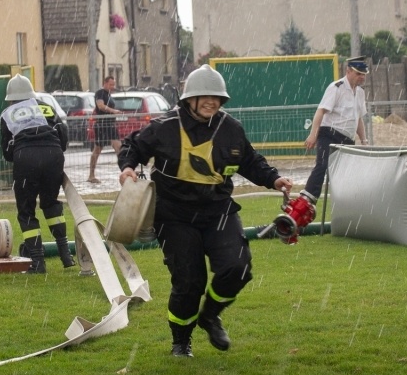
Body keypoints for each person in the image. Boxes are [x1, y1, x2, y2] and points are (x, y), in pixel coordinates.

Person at [117, 64, 293, 358]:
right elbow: (133, 146)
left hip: (218, 213)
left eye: (217, 98)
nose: (212, 102)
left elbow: (250, 161)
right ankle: (181, 341)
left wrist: (274, 179)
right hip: (173, 216)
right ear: (190, 99)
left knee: (237, 268)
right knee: (189, 281)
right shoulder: (164, 127)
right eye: (205, 96)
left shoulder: (231, 129)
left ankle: (210, 316)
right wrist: (127, 167)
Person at [0, 74, 74, 274]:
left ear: (11, 98)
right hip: (53, 154)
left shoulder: (7, 114)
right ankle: (66, 254)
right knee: (51, 203)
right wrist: (54, 151)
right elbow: (63, 134)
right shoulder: (46, 107)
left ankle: (38, 262)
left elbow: (7, 151)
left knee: (26, 210)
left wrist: (23, 157)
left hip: (26, 158)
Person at [301, 56, 369, 202]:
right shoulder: (336, 88)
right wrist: (313, 135)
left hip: (348, 140)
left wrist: (364, 141)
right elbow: (320, 111)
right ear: (348, 71)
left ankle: (345, 201)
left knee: (346, 173)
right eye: (358, 73)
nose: (362, 77)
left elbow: (358, 119)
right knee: (322, 166)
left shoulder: (360, 93)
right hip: (330, 134)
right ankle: (307, 200)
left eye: (364, 74)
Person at [87, 75, 123, 183]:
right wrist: (114, 111)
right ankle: (91, 175)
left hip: (110, 124)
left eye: (113, 84)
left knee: (119, 147)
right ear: (105, 83)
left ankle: (126, 171)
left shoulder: (109, 95)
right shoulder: (100, 93)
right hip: (102, 125)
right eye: (111, 84)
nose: (113, 87)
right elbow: (101, 106)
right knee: (97, 150)